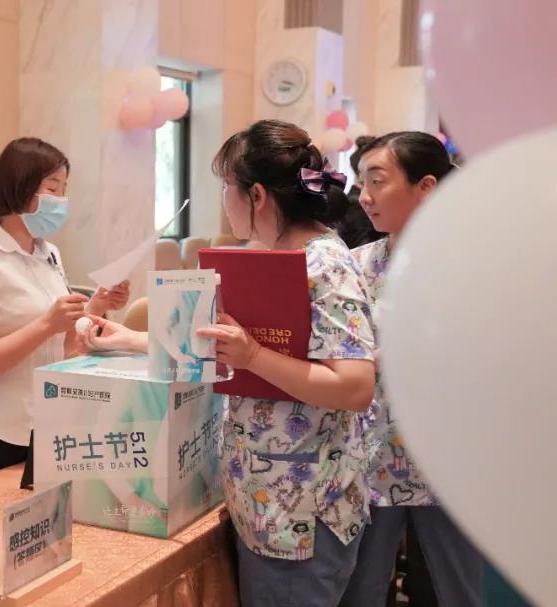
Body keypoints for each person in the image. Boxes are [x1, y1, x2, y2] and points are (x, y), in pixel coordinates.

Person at [78, 120, 377, 607]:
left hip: (300, 513)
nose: (224, 199)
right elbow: (227, 345)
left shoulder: (324, 265)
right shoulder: (270, 257)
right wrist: (129, 339)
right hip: (268, 503)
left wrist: (254, 356)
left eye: (226, 186)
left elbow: (355, 385)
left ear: (256, 195)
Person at [338, 131, 483, 607]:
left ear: (426, 187)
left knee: (459, 590)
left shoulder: (475, 266)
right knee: (362, 589)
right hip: (371, 456)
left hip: (449, 459)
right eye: (362, 182)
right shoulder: (356, 266)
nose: (365, 196)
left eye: (377, 181)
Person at [0, 137, 130, 479]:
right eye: (52, 188)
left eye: (64, 189)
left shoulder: (48, 253)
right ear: (20, 187)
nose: (61, 200)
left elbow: (64, 344)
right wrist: (46, 324)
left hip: (47, 422)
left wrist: (97, 305)